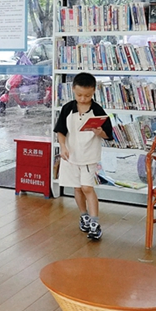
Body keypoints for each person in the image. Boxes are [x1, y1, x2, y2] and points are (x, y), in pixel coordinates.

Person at [53, 72, 114, 241]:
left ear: (94, 91)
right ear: (73, 90)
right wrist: (63, 147)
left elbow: (108, 135)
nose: (83, 99)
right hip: (70, 156)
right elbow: (60, 131)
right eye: (79, 95)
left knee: (87, 187)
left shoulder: (98, 111)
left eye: (87, 96)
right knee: (77, 188)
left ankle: (95, 223)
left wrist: (99, 132)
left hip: (89, 156)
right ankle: (84, 216)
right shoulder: (67, 108)